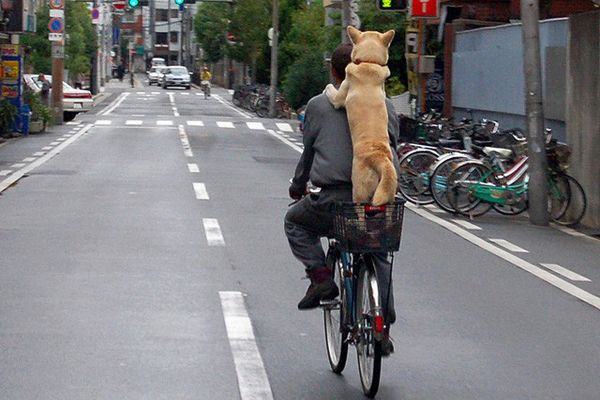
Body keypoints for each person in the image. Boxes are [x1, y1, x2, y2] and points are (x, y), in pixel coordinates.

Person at [284, 43, 401, 354]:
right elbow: (394, 148)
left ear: (335, 71)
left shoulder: (319, 105)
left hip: (332, 203)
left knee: (294, 221)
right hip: (374, 201)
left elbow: (308, 154)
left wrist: (298, 187)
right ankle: (382, 322)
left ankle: (321, 277)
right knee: (378, 252)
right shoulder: (386, 105)